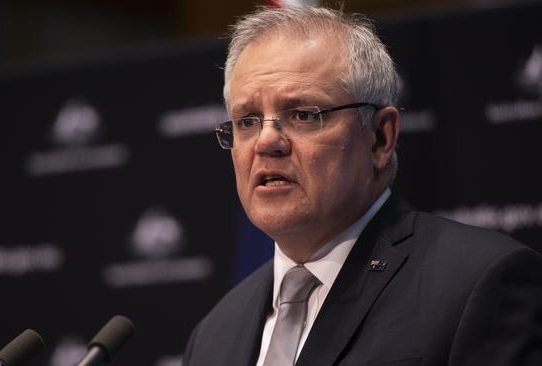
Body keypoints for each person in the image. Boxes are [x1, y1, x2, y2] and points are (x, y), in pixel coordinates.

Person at [182, 6, 542, 366]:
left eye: (304, 115)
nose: (266, 141)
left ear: (380, 138)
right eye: (247, 121)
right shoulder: (215, 334)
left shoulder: (476, 284)